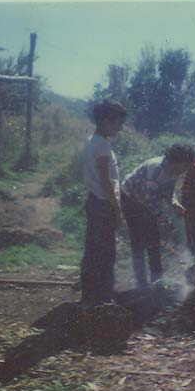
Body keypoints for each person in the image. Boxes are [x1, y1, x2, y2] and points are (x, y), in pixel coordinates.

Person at [120, 144, 195, 289]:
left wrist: (174, 203)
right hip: (130, 198)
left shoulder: (173, 170)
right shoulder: (156, 171)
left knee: (153, 241)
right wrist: (163, 219)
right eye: (185, 166)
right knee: (139, 240)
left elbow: (167, 192)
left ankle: (157, 281)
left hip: (146, 199)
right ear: (177, 161)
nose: (186, 170)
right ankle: (141, 283)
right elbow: (149, 202)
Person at [80, 100, 127, 307]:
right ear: (106, 121)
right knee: (105, 252)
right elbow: (106, 181)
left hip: (95, 200)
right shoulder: (101, 145)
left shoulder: (94, 141)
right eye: (118, 123)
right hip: (103, 203)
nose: (121, 128)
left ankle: (91, 295)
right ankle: (102, 298)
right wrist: (117, 208)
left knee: (93, 250)